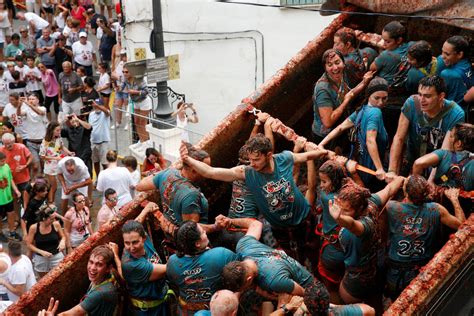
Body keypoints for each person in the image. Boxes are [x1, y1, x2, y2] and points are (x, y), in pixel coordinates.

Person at [180, 133, 328, 262]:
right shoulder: (247, 172)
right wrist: (187, 159)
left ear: (269, 155)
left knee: (314, 252)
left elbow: (307, 155)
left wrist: (323, 151)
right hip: (280, 229)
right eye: (250, 159)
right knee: (293, 257)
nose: (252, 164)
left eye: (256, 160)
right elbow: (211, 172)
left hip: (304, 219)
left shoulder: (284, 158)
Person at [328, 176, 405, 305]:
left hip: (359, 277)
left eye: (346, 210)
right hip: (374, 264)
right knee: (375, 303)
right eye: (340, 207)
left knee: (353, 307)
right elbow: (390, 188)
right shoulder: (371, 202)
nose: (341, 211)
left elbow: (352, 225)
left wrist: (339, 218)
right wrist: (401, 179)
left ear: (359, 209)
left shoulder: (364, 226)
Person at [385, 176, 465, 300]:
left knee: (397, 304)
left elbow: (380, 197)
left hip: (396, 273)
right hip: (421, 273)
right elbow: (463, 226)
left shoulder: (392, 207)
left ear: (406, 192)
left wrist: (396, 181)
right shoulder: (435, 209)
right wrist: (454, 199)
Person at [387, 75, 465, 178]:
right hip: (412, 157)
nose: (421, 100)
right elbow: (399, 138)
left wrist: (431, 181)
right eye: (420, 94)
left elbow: (445, 151)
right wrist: (392, 170)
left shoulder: (455, 113)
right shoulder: (411, 103)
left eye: (427, 96)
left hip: (437, 164)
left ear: (441, 96)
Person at [319, 77, 389, 188]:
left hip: (359, 160)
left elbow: (340, 128)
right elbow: (370, 140)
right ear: (369, 95)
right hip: (371, 168)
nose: (380, 102)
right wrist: (380, 168)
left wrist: (321, 144)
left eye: (384, 98)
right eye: (377, 98)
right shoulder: (375, 113)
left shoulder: (361, 110)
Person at [220, 217, 315, 296]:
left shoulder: (273, 280)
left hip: (307, 285)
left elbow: (303, 294)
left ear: (249, 279)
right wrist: (231, 221)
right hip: (294, 270)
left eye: (243, 288)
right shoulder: (243, 246)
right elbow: (256, 224)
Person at [136, 143, 211, 237]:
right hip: (187, 244)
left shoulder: (168, 172)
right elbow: (191, 234)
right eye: (206, 168)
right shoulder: (191, 195)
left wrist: (161, 175)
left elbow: (140, 186)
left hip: (169, 236)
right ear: (194, 170)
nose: (209, 171)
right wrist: (216, 227)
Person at [167, 221, 238, 314]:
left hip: (186, 312)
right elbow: (241, 274)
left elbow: (173, 283)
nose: (205, 231)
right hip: (217, 311)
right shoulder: (221, 255)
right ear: (197, 244)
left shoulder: (172, 262)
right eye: (202, 232)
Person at [119, 202, 171, 315]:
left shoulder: (141, 235)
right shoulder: (131, 264)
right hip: (147, 311)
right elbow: (170, 267)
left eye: (135, 242)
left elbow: (136, 223)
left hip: (160, 302)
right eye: (126, 243)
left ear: (144, 238)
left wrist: (146, 209)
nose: (131, 248)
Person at [312, 48, 373, 144]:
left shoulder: (342, 74)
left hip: (341, 127)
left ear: (343, 63)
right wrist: (345, 101)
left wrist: (364, 83)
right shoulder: (323, 89)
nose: (335, 68)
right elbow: (328, 122)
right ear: (325, 68)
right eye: (330, 65)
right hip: (325, 136)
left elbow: (349, 93)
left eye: (337, 62)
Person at [41, 244, 120, 316]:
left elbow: (67, 315)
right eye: (91, 262)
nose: (92, 268)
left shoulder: (99, 294)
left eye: (99, 264)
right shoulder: (111, 275)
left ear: (108, 268)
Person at [369, 21, 414, 139]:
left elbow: (372, 67)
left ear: (399, 40)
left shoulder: (386, 55)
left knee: (386, 131)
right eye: (383, 40)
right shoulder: (412, 47)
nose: (384, 44)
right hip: (405, 99)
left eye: (387, 41)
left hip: (388, 101)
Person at [413, 123, 473, 190]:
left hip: (438, 198)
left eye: (451, 136)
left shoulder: (444, 154)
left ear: (458, 143)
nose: (449, 139)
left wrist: (417, 187)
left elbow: (418, 163)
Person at [26, 203, 66, 277]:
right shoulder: (34, 228)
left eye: (54, 218)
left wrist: (62, 242)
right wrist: (41, 252)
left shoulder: (56, 224)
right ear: (44, 218)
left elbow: (63, 236)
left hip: (56, 255)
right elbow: (29, 244)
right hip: (41, 258)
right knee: (44, 279)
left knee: (60, 276)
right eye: (51, 219)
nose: (53, 220)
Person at [40, 122, 73, 203]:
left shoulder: (58, 138)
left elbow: (62, 146)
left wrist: (69, 152)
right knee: (53, 187)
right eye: (57, 130)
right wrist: (55, 158)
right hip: (50, 167)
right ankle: (50, 202)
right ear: (52, 131)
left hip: (59, 165)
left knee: (59, 185)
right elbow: (42, 156)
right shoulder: (45, 141)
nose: (59, 132)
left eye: (60, 130)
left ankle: (52, 202)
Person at [439, 36, 473, 108]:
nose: (442, 56)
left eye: (447, 54)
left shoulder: (448, 74)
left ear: (460, 54)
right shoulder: (469, 63)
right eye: (442, 51)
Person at [122, 65, 151, 143]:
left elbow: (146, 91)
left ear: (131, 72)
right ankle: (141, 141)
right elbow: (121, 88)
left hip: (144, 102)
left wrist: (135, 92)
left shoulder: (139, 80)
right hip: (135, 102)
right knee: (137, 122)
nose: (124, 74)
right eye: (123, 72)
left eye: (126, 72)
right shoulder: (126, 80)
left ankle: (146, 142)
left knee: (142, 123)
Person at [22, 92, 48, 177]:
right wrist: (19, 105)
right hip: (31, 142)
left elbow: (40, 113)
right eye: (29, 99)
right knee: (35, 166)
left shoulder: (42, 108)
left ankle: (45, 182)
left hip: (42, 142)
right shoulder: (26, 110)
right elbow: (19, 114)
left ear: (38, 100)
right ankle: (34, 182)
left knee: (44, 165)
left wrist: (29, 105)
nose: (30, 101)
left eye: (32, 99)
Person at [0, 151, 21, 242]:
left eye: (4, 160)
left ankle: (12, 232)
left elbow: (11, 179)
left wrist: (16, 190)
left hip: (8, 197)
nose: (4, 162)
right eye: (1, 161)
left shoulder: (6, 166)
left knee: (11, 214)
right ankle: (0, 233)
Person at [88, 99, 111, 177]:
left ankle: (105, 178)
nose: (96, 107)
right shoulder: (91, 115)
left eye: (98, 105)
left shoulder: (105, 114)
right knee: (95, 162)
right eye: (95, 105)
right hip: (93, 142)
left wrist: (98, 106)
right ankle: (98, 178)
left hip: (104, 142)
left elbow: (107, 111)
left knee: (105, 163)